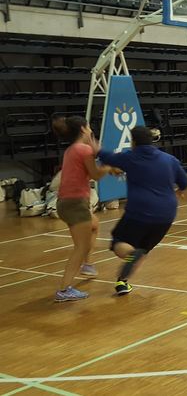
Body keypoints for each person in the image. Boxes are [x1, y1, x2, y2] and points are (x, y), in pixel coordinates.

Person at [97, 126, 187, 295]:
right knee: (144, 249)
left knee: (119, 243)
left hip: (139, 212)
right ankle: (122, 282)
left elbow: (106, 156)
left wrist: (95, 146)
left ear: (133, 141)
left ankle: (132, 255)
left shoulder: (130, 157)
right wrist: (179, 190)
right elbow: (184, 181)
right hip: (166, 215)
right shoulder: (169, 159)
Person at [52, 116, 114, 302]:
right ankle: (64, 289)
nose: (90, 129)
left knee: (94, 224)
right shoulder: (84, 149)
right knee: (81, 246)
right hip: (75, 203)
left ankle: (88, 265)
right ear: (83, 129)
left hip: (66, 202)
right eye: (88, 126)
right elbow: (95, 174)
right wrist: (109, 165)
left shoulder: (72, 149)